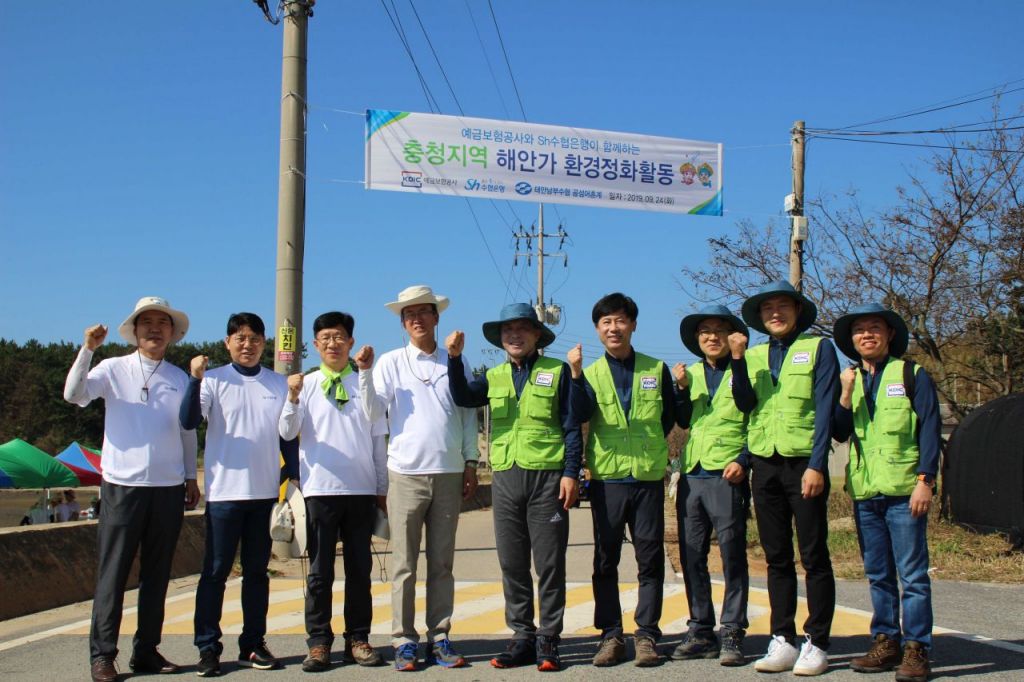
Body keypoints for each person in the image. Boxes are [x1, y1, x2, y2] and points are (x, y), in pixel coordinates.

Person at [63, 296, 200, 682]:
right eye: (147, 322)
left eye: (163, 322)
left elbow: (187, 431)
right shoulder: (112, 368)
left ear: (172, 332)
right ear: (135, 330)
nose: (155, 328)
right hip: (122, 485)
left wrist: (191, 476)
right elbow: (74, 394)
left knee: (158, 574)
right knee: (113, 573)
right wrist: (88, 350)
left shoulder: (179, 378)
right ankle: (103, 655)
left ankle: (147, 651)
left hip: (168, 487)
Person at [446, 303, 582, 672]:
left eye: (523, 328)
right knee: (512, 562)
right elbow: (462, 397)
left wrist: (571, 472)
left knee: (549, 563)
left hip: (548, 478)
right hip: (506, 476)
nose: (515, 335)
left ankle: (548, 638)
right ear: (501, 338)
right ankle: (522, 635)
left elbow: (571, 425)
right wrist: (454, 359)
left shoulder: (558, 372)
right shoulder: (494, 377)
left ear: (537, 334)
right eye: (508, 330)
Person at [363, 285, 479, 671]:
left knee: (442, 562)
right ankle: (403, 639)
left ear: (436, 317)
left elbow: (467, 414)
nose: (417, 319)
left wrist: (470, 462)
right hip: (405, 474)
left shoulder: (454, 360)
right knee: (404, 564)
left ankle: (440, 636)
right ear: (402, 322)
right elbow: (372, 412)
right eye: (409, 314)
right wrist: (363, 373)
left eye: (423, 312)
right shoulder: (391, 362)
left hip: (448, 473)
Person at [179, 312, 298, 676]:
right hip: (224, 495)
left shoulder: (277, 383)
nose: (248, 345)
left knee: (257, 574)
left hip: (264, 494)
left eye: (255, 339)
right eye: (240, 338)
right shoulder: (212, 380)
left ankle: (252, 644)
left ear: (264, 343)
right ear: (227, 343)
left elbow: (287, 438)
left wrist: (294, 479)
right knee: (215, 572)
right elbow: (188, 421)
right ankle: (208, 648)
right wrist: (194, 379)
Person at [731, 281, 838, 676]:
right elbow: (744, 403)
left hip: (803, 463)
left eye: (783, 306)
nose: (775, 313)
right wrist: (737, 360)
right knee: (776, 556)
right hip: (765, 463)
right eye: (767, 308)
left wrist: (817, 464)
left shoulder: (819, 348)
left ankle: (818, 642)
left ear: (797, 311)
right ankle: (783, 639)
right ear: (760, 317)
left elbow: (825, 409)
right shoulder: (753, 354)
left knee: (814, 555)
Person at [832, 303, 940, 682]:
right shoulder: (850, 379)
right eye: (860, 330)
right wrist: (845, 393)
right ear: (852, 339)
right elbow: (839, 431)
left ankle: (916, 649)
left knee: (912, 575)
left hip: (905, 490)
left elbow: (930, 428)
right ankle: (886, 642)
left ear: (889, 334)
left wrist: (926, 480)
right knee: (878, 574)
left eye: (874, 328)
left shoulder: (911, 374)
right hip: (865, 492)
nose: (867, 335)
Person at [573, 292, 681, 668]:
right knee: (606, 560)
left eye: (620, 320)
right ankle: (611, 635)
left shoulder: (656, 369)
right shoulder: (589, 374)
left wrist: (647, 448)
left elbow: (668, 417)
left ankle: (646, 635)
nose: (614, 328)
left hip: (647, 477)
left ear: (633, 325)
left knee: (650, 559)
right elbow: (580, 414)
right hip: (608, 479)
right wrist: (574, 376)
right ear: (597, 329)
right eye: (606, 322)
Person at [278, 311, 389, 672]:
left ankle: (358, 639)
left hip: (360, 490)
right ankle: (318, 643)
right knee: (319, 572)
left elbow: (378, 441)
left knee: (359, 570)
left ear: (350, 342)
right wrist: (292, 397)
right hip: (319, 491)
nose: (333, 343)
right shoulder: (305, 384)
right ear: (315, 344)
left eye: (339, 336)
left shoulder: (365, 384)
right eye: (325, 337)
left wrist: (381, 489)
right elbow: (286, 431)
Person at [669, 305, 754, 666]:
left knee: (732, 554)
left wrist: (744, 460)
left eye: (720, 330)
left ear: (733, 336)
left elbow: (757, 417)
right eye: (705, 331)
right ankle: (701, 629)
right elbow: (683, 420)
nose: (712, 337)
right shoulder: (690, 374)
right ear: (697, 339)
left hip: (727, 473)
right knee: (691, 555)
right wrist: (681, 389)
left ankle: (732, 629)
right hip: (693, 473)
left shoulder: (748, 368)